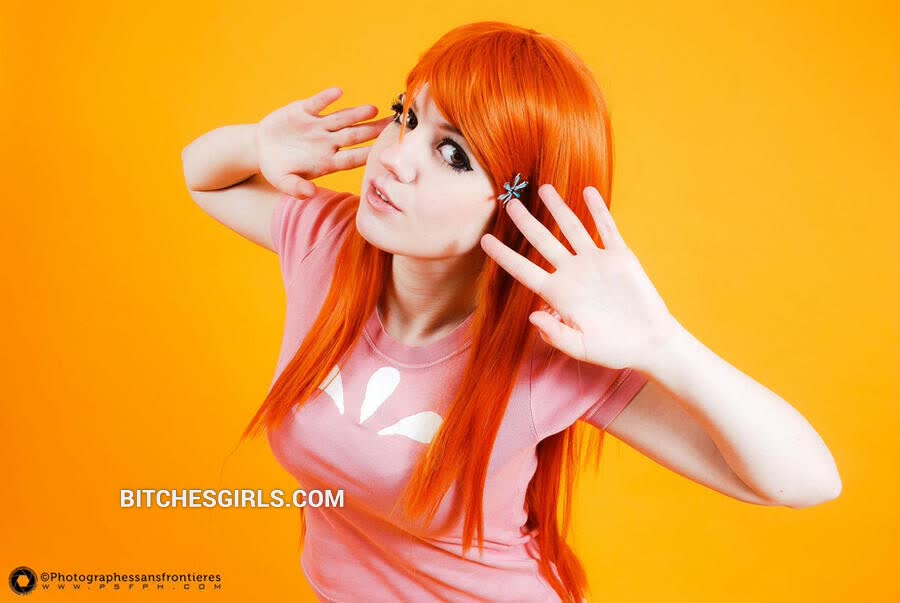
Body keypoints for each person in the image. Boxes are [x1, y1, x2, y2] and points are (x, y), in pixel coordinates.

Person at [181, 21, 841, 603]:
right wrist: (256, 145)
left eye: (453, 154)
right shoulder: (327, 247)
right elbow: (201, 175)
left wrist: (662, 344)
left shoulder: (546, 351)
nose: (395, 157)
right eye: (407, 115)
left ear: (517, 209)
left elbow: (805, 482)